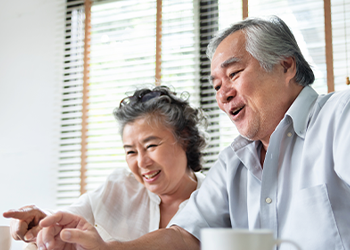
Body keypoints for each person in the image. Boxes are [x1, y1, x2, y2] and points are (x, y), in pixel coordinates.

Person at [21, 15, 350, 250]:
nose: (223, 94)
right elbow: (185, 236)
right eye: (217, 85)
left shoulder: (339, 117)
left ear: (286, 65)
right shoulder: (233, 164)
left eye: (234, 74)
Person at [3, 85, 207, 249]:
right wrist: (43, 219)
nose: (142, 162)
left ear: (185, 138)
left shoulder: (215, 197)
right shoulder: (119, 187)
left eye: (151, 146)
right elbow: (70, 215)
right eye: (131, 152)